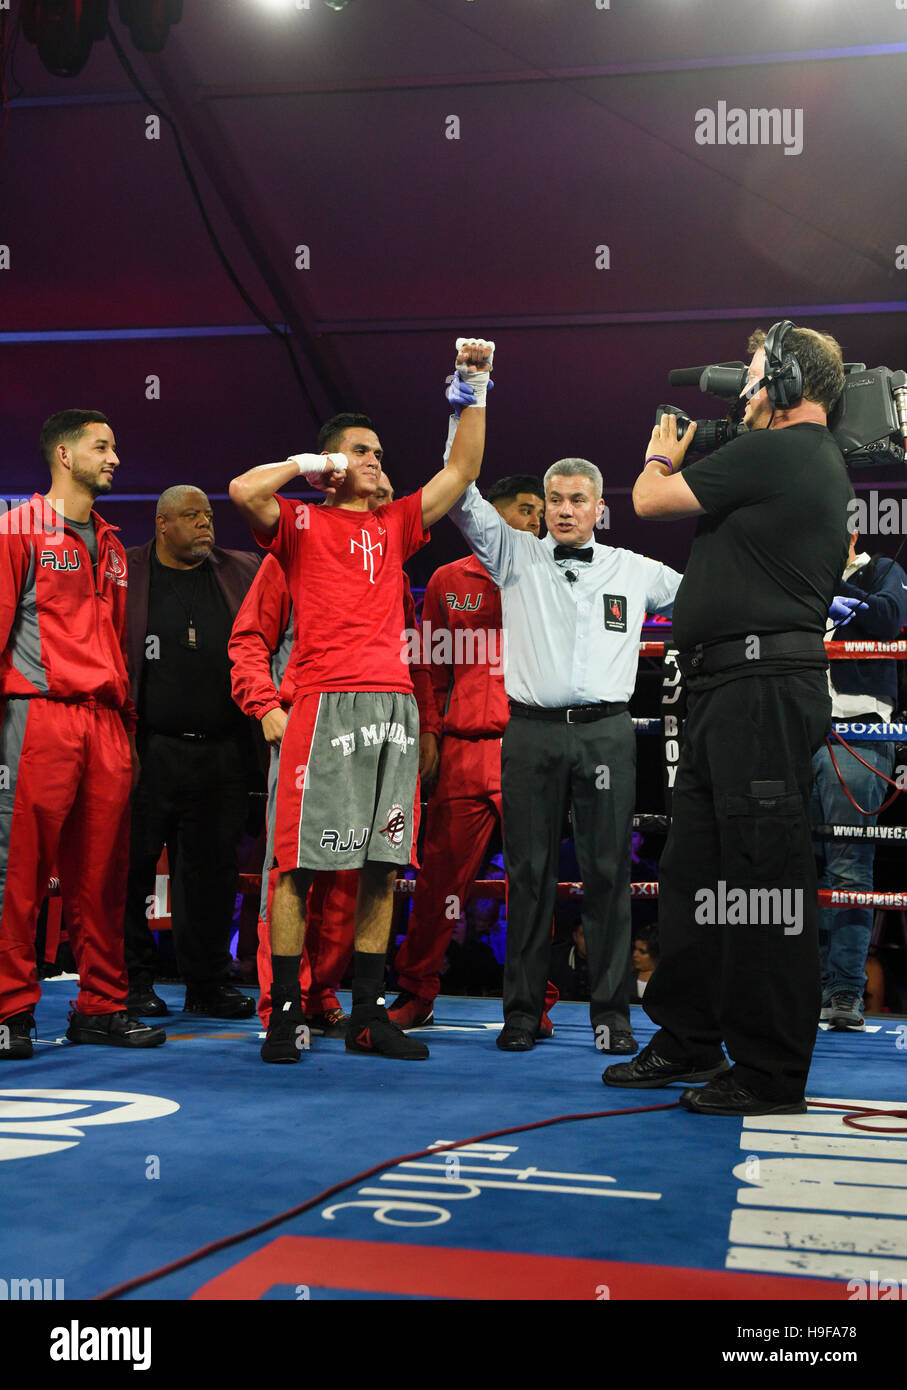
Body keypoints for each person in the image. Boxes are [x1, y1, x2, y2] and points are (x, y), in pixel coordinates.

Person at [606, 320, 853, 1116]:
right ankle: (688, 1037)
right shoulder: (778, 455)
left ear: (783, 383)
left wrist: (659, 447)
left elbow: (647, 498)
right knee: (696, 875)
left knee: (760, 883)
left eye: (751, 375)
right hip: (725, 689)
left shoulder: (785, 449)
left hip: (759, 689)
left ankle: (770, 1071)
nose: (740, 390)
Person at [228, 338, 493, 1063]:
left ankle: (368, 1014)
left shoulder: (396, 523)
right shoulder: (302, 524)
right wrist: (317, 465)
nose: (377, 459)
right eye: (362, 450)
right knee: (297, 865)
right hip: (322, 705)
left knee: (382, 862)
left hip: (394, 709)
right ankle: (283, 1015)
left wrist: (472, 386)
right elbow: (244, 492)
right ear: (334, 465)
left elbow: (461, 468)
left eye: (378, 450)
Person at [448, 448, 682, 1053]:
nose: (566, 510)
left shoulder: (635, 570)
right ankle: (522, 1013)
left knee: (608, 873)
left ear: (600, 509)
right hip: (530, 732)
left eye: (578, 500)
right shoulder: (514, 554)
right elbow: (459, 491)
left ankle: (613, 1015)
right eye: (556, 500)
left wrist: (804, 609)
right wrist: (465, 402)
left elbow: (709, 599)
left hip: (605, 732)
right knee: (528, 875)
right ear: (543, 508)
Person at [229, 471, 438, 1039]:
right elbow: (248, 638)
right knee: (297, 867)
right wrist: (266, 705)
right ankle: (282, 1006)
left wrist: (426, 727)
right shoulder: (296, 548)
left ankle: (328, 994)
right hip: (311, 722)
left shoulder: (390, 569)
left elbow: (408, 654)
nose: (384, 504)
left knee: (361, 876)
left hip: (381, 727)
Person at [0, 410, 164, 1057]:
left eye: (114, 444)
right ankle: (10, 1012)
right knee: (18, 872)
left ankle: (100, 1005)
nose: (115, 456)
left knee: (104, 876)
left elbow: (119, 655)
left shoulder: (114, 546)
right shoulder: (17, 531)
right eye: (103, 445)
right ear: (64, 456)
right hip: (37, 717)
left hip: (105, 726)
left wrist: (124, 731)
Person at [390, 474, 564, 1035]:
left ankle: (533, 1002)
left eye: (542, 512)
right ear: (491, 514)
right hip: (464, 750)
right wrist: (430, 737)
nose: (537, 521)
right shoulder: (447, 580)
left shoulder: (554, 576)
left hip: (530, 747)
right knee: (440, 882)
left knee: (532, 883)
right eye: (527, 509)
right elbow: (429, 668)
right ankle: (417, 991)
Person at [123, 486, 261, 1019]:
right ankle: (133, 981)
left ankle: (207, 982)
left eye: (208, 515)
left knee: (212, 873)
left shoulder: (240, 569)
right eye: (191, 516)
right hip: (147, 750)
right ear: (161, 524)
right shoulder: (129, 571)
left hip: (223, 751)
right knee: (132, 871)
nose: (205, 524)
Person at [810, 529, 907, 1031]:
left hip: (858, 735)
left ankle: (844, 992)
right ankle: (800, 988)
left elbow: (889, 618)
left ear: (847, 535)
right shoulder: (795, 576)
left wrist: (828, 588)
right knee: (789, 869)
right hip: (797, 732)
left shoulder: (884, 571)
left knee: (849, 869)